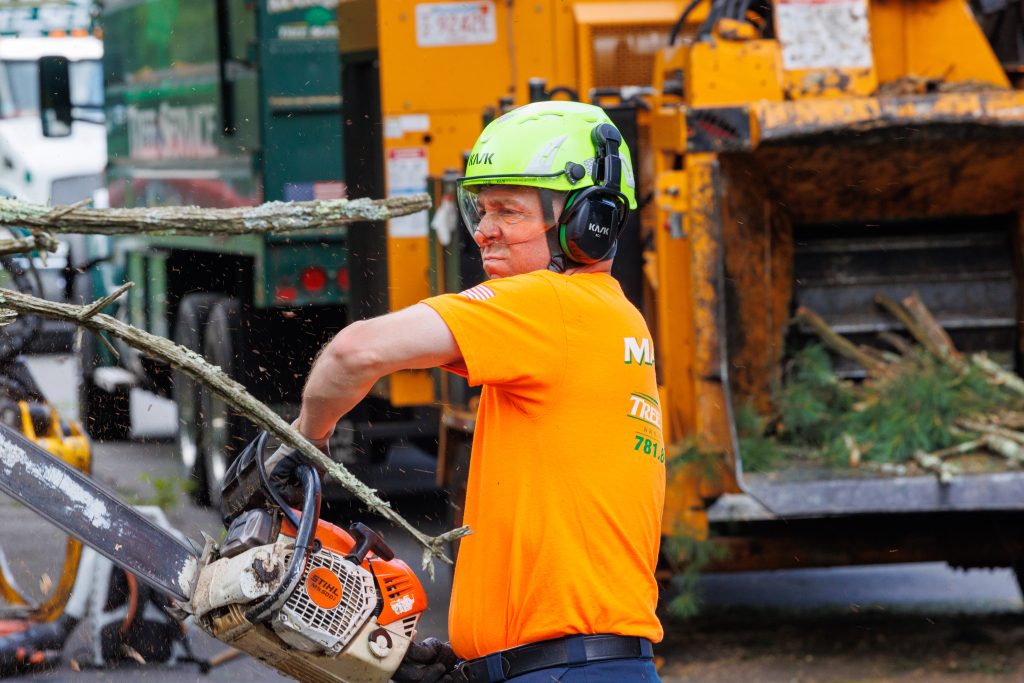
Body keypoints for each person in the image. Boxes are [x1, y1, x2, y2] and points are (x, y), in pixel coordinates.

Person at [283, 100, 665, 682]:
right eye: (479, 210)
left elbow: (354, 351)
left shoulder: (553, 304)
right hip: (566, 667)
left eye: (507, 211)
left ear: (591, 221)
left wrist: (302, 444)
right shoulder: (606, 319)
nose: (483, 231)